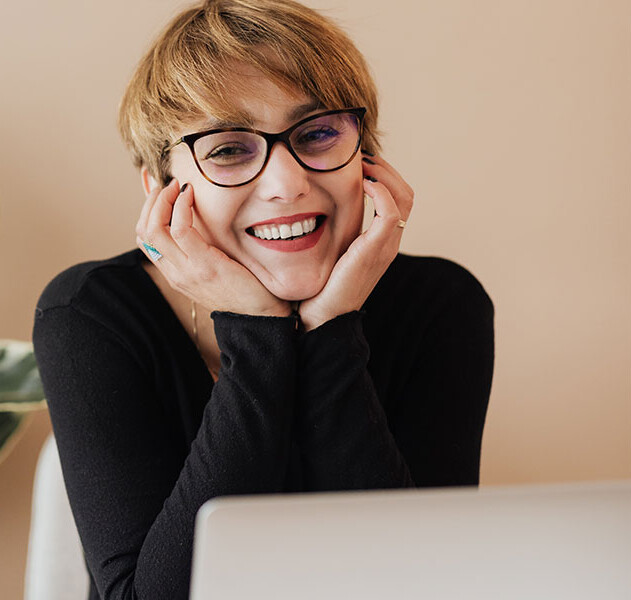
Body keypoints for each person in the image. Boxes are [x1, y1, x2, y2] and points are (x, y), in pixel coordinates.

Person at [32, 1, 495, 598]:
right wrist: (256, 330)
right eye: (228, 149)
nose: (287, 184)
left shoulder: (441, 304)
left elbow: (427, 583)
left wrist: (331, 325)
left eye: (319, 133)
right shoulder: (90, 314)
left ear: (368, 159)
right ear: (162, 189)